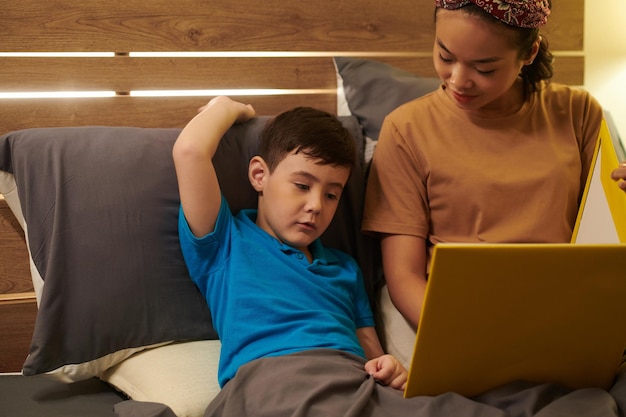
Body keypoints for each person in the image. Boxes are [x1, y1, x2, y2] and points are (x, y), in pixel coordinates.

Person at [361, 0, 625, 368]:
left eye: (484, 67)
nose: (457, 79)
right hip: (451, 315)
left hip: (559, 312)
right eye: (445, 55)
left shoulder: (578, 112)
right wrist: (468, 336)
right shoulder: (406, 129)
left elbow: (606, 249)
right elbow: (403, 275)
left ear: (529, 52)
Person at [172, 96, 428, 416]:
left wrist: (389, 367)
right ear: (259, 175)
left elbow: (371, 355)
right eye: (302, 185)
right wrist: (228, 107)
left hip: (350, 385)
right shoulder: (226, 241)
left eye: (332, 194)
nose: (317, 205)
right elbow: (190, 152)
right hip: (271, 383)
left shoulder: (345, 268)